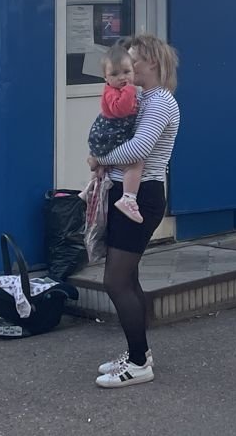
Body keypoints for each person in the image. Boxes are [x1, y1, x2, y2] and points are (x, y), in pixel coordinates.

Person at [89, 34, 180, 389]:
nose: (126, 68)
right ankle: (139, 353)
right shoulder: (140, 98)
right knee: (128, 279)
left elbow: (138, 149)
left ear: (152, 63)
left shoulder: (161, 102)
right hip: (124, 193)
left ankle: (139, 364)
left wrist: (99, 158)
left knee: (115, 281)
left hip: (141, 196)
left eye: (133, 61)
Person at [87, 44, 145, 223]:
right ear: (105, 77)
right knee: (135, 163)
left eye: (127, 72)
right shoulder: (112, 92)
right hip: (109, 135)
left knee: (105, 166)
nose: (122, 78)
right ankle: (129, 198)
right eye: (114, 74)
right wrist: (130, 89)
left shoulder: (121, 90)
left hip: (114, 134)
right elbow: (121, 109)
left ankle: (90, 187)